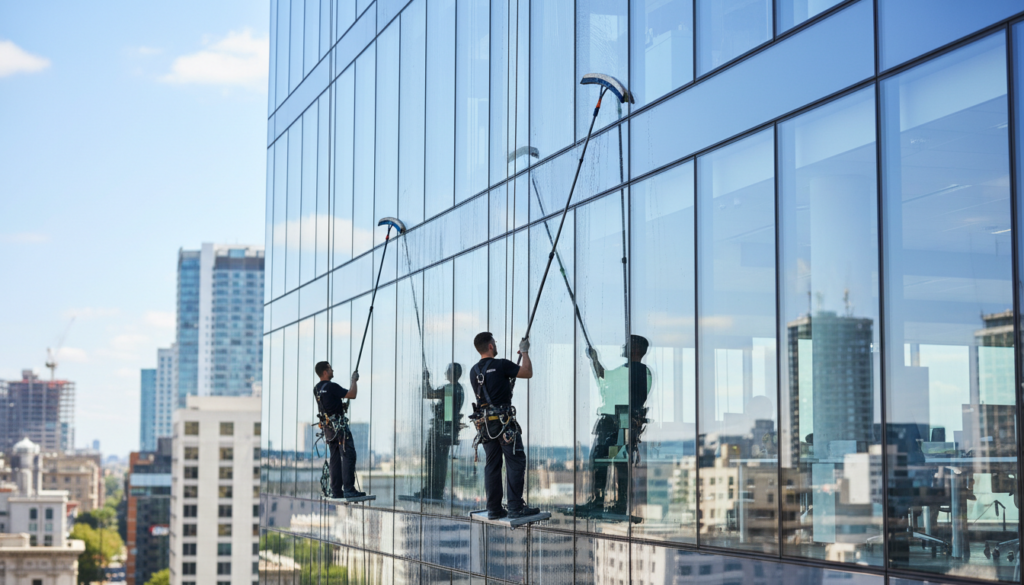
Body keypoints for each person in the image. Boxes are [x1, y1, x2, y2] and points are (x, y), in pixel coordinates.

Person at [580, 335, 653, 516]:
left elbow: (605, 380)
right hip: (622, 423)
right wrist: (594, 360)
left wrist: (595, 360)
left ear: (636, 349)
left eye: (628, 345)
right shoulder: (638, 372)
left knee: (603, 459)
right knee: (615, 462)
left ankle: (603, 504)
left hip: (620, 424)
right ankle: (616, 505)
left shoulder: (635, 371)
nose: (624, 346)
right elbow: (608, 383)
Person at [471, 332, 538, 520]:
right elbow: (527, 372)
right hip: (504, 424)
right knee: (515, 462)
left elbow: (491, 391)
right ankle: (515, 507)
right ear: (491, 346)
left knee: (492, 465)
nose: (495, 344)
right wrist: (524, 352)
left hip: (486, 426)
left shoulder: (474, 371)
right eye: (495, 341)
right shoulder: (501, 365)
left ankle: (494, 508)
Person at [313, 361, 363, 499]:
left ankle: (336, 491)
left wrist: (340, 406)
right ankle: (349, 489)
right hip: (339, 429)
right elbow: (352, 394)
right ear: (325, 372)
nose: (332, 370)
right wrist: (354, 380)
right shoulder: (332, 386)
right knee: (348, 455)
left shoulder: (316, 388)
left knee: (335, 458)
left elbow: (328, 404)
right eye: (330, 368)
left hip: (329, 430)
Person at [419, 363, 466, 500]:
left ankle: (432, 490)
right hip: (446, 432)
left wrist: (425, 379)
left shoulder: (450, 389)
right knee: (439, 461)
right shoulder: (457, 389)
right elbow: (448, 412)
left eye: (448, 370)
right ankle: (434, 490)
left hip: (440, 433)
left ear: (452, 373)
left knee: (432, 458)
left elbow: (428, 394)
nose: (445, 372)